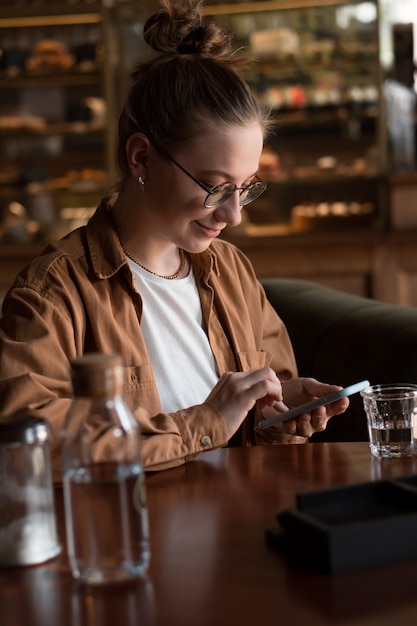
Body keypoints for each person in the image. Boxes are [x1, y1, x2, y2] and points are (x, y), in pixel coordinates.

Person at [0, 0, 348, 481]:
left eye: (245, 188)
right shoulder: (53, 293)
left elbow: (255, 421)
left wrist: (278, 412)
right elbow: (26, 441)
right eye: (215, 187)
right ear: (141, 158)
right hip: (133, 540)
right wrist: (205, 422)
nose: (233, 215)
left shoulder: (233, 271)